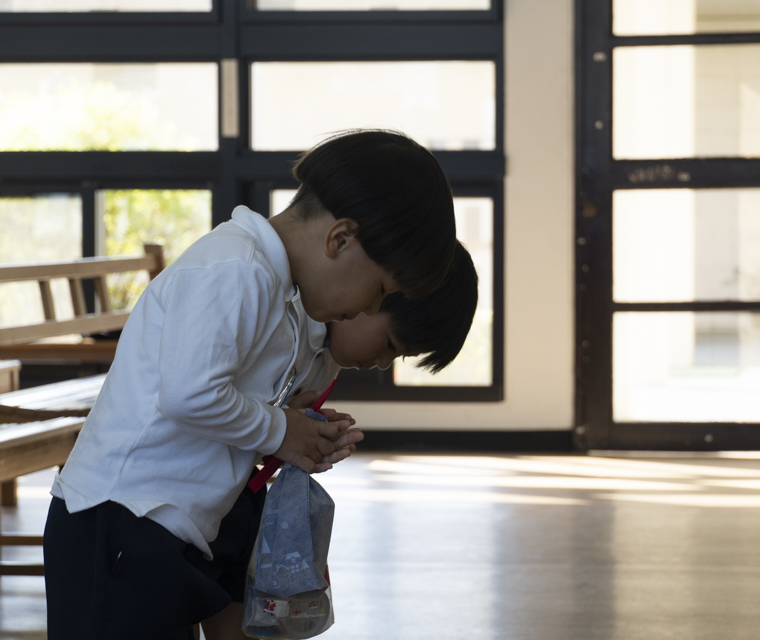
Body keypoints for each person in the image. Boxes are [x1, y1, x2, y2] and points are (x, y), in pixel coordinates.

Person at [42, 130, 458, 640]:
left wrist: (295, 426)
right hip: (119, 519)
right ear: (340, 239)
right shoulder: (238, 269)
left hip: (163, 525)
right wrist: (282, 430)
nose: (371, 307)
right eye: (378, 289)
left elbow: (216, 406)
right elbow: (189, 394)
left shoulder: (273, 285)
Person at [199, 243, 478, 640]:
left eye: (397, 357)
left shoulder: (325, 361)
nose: (382, 363)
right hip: (187, 506)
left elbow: (256, 428)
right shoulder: (270, 306)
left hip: (235, 501)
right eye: (390, 345)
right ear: (371, 293)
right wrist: (281, 428)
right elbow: (201, 404)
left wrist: (296, 430)